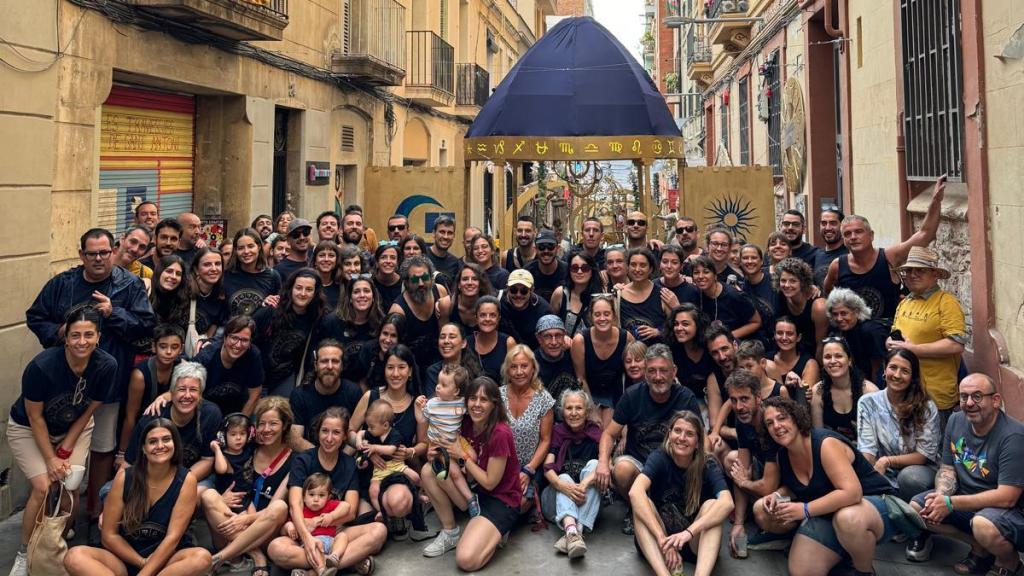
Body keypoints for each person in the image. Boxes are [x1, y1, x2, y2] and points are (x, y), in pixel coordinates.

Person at [26, 228, 155, 527]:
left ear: (114, 251)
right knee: (65, 449)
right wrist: (58, 332)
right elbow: (36, 316)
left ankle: (94, 510)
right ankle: (58, 515)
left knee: (101, 446)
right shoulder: (62, 283)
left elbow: (146, 326)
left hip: (106, 384)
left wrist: (115, 313)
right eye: (91, 253)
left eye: (104, 252)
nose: (98, 258)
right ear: (81, 255)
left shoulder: (129, 284)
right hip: (62, 383)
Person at [7, 307, 113, 575]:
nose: (82, 341)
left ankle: (57, 543)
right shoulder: (42, 367)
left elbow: (92, 407)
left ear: (98, 337)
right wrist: (52, 458)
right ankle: (25, 552)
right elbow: (35, 417)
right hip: (28, 427)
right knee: (43, 488)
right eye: (75, 335)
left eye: (89, 335)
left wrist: (67, 446)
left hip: (75, 426)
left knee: (71, 486)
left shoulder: (106, 365)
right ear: (65, 337)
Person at [758, 396, 899, 576]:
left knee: (847, 519)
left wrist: (805, 509)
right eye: (769, 423)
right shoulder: (783, 456)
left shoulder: (825, 444)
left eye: (782, 417)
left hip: (873, 505)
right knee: (802, 571)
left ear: (795, 417)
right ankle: (846, 553)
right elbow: (799, 486)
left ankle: (864, 571)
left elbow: (852, 493)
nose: (776, 426)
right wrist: (777, 495)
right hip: (830, 513)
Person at [906, 374, 1024, 575]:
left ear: (995, 400)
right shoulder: (955, 420)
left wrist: (951, 503)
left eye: (977, 396)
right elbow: (948, 468)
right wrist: (941, 496)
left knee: (983, 525)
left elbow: (1007, 498)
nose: (969, 403)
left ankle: (1010, 562)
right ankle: (980, 548)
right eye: (964, 397)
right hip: (965, 498)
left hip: (1005, 511)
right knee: (918, 509)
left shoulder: (1013, 436)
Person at [63, 420, 212, 576]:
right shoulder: (124, 478)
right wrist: (141, 563)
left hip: (165, 562)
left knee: (202, 558)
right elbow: (109, 535)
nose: (160, 446)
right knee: (74, 556)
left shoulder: (187, 480)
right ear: (144, 449)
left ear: (175, 444)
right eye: (153, 441)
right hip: (124, 559)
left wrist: (146, 572)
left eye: (166, 439)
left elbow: (172, 538)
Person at [418, 377, 522, 571]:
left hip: (500, 499)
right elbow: (439, 440)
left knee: (466, 560)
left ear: (494, 404)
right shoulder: (465, 422)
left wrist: (463, 457)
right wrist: (435, 452)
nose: (476, 404)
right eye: (473, 398)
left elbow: (490, 483)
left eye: (483, 400)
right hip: (472, 493)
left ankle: (497, 532)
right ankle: (451, 532)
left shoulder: (500, 433)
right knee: (428, 470)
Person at [596, 344, 701, 535]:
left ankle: (661, 510)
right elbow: (609, 433)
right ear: (645, 372)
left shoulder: (686, 397)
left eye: (664, 370)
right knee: (621, 469)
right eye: (652, 370)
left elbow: (701, 438)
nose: (658, 376)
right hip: (639, 464)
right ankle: (635, 509)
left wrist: (704, 462)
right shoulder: (632, 395)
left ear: (674, 371)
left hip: (673, 464)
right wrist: (603, 461)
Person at [268, 407, 386, 575]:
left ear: (345, 436)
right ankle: (348, 563)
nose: (329, 438)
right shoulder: (303, 460)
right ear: (318, 432)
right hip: (304, 529)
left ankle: (318, 571)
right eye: (325, 431)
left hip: (336, 530)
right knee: (276, 548)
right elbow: (295, 504)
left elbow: (351, 511)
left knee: (379, 531)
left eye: (336, 433)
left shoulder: (349, 465)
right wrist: (307, 538)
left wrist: (317, 521)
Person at [824, 175, 946, 320]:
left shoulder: (889, 257)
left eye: (859, 231)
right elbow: (828, 295)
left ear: (871, 235)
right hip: (853, 337)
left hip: (888, 336)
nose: (853, 237)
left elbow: (925, 234)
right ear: (844, 240)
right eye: (847, 234)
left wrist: (936, 201)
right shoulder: (837, 266)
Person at [631, 411, 734, 576]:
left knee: (713, 506)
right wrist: (662, 539)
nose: (682, 438)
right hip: (659, 542)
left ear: (698, 442)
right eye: (677, 431)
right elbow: (635, 492)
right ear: (669, 434)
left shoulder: (707, 463)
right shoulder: (659, 457)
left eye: (690, 434)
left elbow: (727, 503)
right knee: (642, 503)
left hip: (693, 541)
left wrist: (689, 533)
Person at [203, 397, 294, 576]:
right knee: (209, 495)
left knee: (279, 506)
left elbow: (273, 511)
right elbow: (225, 478)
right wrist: (222, 499)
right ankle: (257, 556)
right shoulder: (247, 448)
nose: (267, 429)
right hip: (230, 525)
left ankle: (221, 557)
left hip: (263, 530)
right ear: (255, 427)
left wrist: (246, 520)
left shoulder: (294, 460)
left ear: (284, 425)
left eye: (273, 423)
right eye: (262, 424)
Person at [348, 345, 430, 540]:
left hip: (397, 471)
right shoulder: (371, 396)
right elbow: (350, 432)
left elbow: (423, 444)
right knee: (366, 523)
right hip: (369, 471)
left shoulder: (415, 404)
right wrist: (367, 448)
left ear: (410, 371)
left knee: (397, 503)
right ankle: (389, 518)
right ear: (384, 370)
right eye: (390, 367)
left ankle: (399, 512)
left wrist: (410, 452)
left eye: (401, 367)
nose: (395, 373)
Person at [889, 246, 967, 433]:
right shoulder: (905, 302)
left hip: (935, 396)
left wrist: (914, 350)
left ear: (934, 275)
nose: (913, 275)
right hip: (905, 393)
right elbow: (895, 334)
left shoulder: (946, 302)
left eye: (920, 270)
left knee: (936, 453)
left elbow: (956, 344)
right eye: (909, 271)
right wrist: (890, 343)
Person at [857, 349, 940, 501]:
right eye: (893, 367)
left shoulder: (926, 407)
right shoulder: (868, 403)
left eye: (905, 371)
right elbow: (867, 449)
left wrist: (887, 461)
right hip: (883, 470)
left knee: (909, 478)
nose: (897, 375)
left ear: (912, 377)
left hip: (919, 471)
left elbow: (923, 456)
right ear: (884, 369)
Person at [719, 370, 785, 559]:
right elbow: (740, 468)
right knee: (733, 462)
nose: (738, 406)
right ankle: (746, 519)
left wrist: (744, 482)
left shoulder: (772, 425)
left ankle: (786, 534)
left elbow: (767, 487)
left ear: (758, 398)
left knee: (761, 511)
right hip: (766, 475)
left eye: (744, 399)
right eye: (733, 400)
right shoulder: (743, 420)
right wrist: (739, 524)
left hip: (793, 490)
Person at [128, 362, 221, 493]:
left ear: (200, 394)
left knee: (203, 495)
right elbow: (130, 463)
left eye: (193, 390)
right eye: (182, 389)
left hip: (193, 477)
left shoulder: (210, 414)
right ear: (171, 392)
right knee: (108, 491)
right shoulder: (152, 417)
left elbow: (207, 460)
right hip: (152, 478)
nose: (187, 395)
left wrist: (175, 484)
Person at [542, 389, 602, 559]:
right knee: (563, 476)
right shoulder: (558, 432)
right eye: (569, 408)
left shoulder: (596, 434)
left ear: (587, 411)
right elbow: (548, 467)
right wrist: (563, 486)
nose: (574, 413)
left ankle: (572, 533)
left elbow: (607, 467)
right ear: (562, 411)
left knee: (596, 465)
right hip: (556, 501)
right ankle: (576, 531)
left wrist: (582, 486)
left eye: (579, 408)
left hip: (588, 500)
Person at [252, 268, 326, 398]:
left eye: (309, 289)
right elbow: (246, 334)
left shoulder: (317, 318)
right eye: (298, 288)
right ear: (291, 288)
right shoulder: (270, 310)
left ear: (315, 293)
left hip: (285, 378)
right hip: (256, 375)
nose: (302, 293)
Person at [120, 324, 185, 467]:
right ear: (154, 347)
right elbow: (130, 416)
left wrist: (169, 395)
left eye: (174, 347)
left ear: (181, 348)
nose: (168, 352)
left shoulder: (182, 367)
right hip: (143, 428)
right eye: (163, 346)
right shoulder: (140, 375)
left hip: (170, 430)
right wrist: (122, 453)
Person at [499, 345, 556, 511]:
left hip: (531, 466)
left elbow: (546, 440)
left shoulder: (543, 398)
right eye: (513, 367)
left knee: (519, 504)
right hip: (501, 464)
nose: (519, 372)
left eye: (524, 366)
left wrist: (528, 470)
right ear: (507, 370)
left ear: (533, 369)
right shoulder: (498, 395)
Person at [415, 366, 476, 512]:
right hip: (440, 446)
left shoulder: (461, 403)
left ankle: (471, 483)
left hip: (457, 440)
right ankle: (471, 499)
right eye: (438, 382)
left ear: (456, 391)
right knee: (453, 472)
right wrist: (418, 407)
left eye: (443, 384)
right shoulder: (432, 404)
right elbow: (422, 420)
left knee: (472, 457)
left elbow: (476, 410)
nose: (437, 386)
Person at [289, 339, 364, 450]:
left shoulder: (354, 392)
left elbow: (356, 435)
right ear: (315, 365)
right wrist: (322, 460)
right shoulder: (299, 395)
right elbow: (295, 439)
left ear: (342, 365)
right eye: (324, 361)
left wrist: (340, 463)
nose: (329, 366)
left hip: (344, 460)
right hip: (309, 458)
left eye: (335, 361)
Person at [572, 294, 631, 425]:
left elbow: (631, 375)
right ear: (591, 317)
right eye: (597, 314)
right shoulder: (580, 341)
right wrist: (592, 409)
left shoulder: (626, 338)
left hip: (616, 395)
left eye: (606, 314)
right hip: (589, 394)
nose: (602, 318)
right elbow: (580, 378)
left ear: (614, 316)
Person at [355, 400, 422, 514]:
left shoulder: (394, 434)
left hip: (396, 465)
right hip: (379, 470)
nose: (369, 429)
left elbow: (391, 449)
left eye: (371, 426)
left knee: (415, 477)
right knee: (373, 491)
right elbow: (361, 433)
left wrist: (374, 448)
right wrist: (358, 442)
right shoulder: (373, 433)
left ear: (385, 425)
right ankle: (380, 511)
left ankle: (421, 494)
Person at [811, 337, 878, 442]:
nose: (833, 361)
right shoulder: (818, 391)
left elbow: (877, 438)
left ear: (849, 360)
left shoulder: (870, 391)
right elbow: (818, 437)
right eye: (827, 357)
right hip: (831, 452)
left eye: (839, 356)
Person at [281, 473, 349, 576]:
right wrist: (289, 527)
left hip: (331, 542)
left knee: (343, 536)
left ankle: (334, 557)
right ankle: (322, 570)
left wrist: (332, 516)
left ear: (328, 497)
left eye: (321, 495)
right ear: (303, 497)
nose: (316, 499)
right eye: (311, 495)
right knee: (315, 546)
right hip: (312, 544)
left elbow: (346, 506)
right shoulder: (301, 511)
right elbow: (286, 526)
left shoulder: (329, 506)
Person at [388, 255, 441, 371]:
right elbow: (393, 351)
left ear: (431, 278)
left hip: (440, 363)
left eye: (425, 277)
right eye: (415, 279)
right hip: (412, 369)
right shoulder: (398, 310)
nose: (421, 283)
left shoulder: (440, 292)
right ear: (406, 282)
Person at [691, 255, 761, 339]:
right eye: (696, 273)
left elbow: (756, 322)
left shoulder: (734, 296)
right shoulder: (695, 293)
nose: (701, 276)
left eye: (706, 272)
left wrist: (728, 337)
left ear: (715, 275)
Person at [826, 287, 888, 380]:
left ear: (856, 311)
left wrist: (874, 393)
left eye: (844, 313)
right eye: (835, 314)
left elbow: (878, 368)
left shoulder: (870, 331)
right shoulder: (840, 330)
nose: (839, 318)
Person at [774, 257, 828, 357]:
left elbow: (821, 346)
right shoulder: (781, 295)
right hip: (793, 352)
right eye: (783, 280)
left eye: (793, 281)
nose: (786, 285)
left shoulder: (819, 307)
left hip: (815, 354)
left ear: (803, 282)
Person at [223, 227, 282, 317]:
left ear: (258, 247)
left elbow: (279, 311)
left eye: (251, 246)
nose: (246, 251)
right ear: (235, 251)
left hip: (261, 330)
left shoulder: (272, 276)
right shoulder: (227, 276)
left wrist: (269, 303)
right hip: (232, 330)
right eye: (241, 248)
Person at [619, 248, 671, 344]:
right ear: (627, 267)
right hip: (629, 356)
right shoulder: (619, 295)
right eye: (633, 265)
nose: (637, 269)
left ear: (650, 269)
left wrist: (658, 331)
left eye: (642, 265)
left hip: (656, 355)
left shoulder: (662, 295)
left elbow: (675, 327)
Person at [549, 252, 604, 337]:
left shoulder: (601, 297)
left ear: (592, 270)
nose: (579, 271)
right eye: (574, 268)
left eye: (585, 268)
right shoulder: (560, 293)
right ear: (569, 270)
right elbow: (550, 324)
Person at [422, 322, 481, 399]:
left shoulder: (474, 369)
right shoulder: (432, 371)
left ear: (463, 343)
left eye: (452, 337)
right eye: (442, 337)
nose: (446, 341)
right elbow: (431, 402)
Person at [765, 316, 820, 397]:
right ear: (774, 335)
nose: (784, 338)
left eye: (789, 334)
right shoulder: (766, 360)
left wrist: (796, 387)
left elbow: (804, 402)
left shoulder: (809, 364)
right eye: (780, 333)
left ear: (798, 337)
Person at [498, 269, 552, 349]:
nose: (518, 295)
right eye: (513, 290)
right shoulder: (498, 301)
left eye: (524, 291)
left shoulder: (543, 309)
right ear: (507, 288)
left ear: (532, 290)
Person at [436, 262, 494, 333]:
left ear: (481, 284)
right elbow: (444, 337)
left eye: (475, 279)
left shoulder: (491, 305)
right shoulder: (446, 304)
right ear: (459, 285)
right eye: (465, 279)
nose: (469, 283)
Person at [469, 296, 516, 382]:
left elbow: (513, 376)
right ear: (476, 318)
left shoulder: (508, 342)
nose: (487, 319)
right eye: (482, 315)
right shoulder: (467, 343)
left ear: (499, 318)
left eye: (492, 315)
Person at [737, 243, 776, 347]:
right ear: (740, 262)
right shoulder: (740, 288)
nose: (749, 261)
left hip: (778, 343)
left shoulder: (775, 282)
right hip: (753, 346)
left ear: (761, 261)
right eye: (745, 258)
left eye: (754, 258)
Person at [534, 314, 579, 403]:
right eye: (547, 336)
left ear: (564, 335)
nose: (554, 342)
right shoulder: (531, 363)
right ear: (539, 338)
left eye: (558, 335)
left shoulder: (573, 354)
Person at [187, 247, 228, 344]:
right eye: (207, 264)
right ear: (196, 269)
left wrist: (204, 343)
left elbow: (214, 325)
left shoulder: (222, 295)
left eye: (217, 264)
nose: (214, 269)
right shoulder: (183, 289)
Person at [525, 229, 567, 303]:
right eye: (541, 247)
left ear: (557, 248)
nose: (546, 251)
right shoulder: (527, 272)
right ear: (535, 249)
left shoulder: (568, 272)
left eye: (550, 246)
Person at [655, 244, 701, 309]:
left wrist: (677, 306)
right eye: (665, 262)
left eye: (674, 262)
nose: (669, 266)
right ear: (660, 264)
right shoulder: (653, 286)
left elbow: (696, 318)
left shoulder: (692, 291)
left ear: (681, 266)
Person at [812, 206, 848, 287]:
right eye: (824, 223)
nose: (828, 228)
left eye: (833, 223)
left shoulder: (850, 254)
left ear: (842, 226)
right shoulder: (817, 254)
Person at [425, 215, 461, 287]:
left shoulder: (455, 263)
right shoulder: (422, 256)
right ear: (434, 233)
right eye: (442, 232)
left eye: (450, 233)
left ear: (454, 236)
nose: (445, 237)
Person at [276, 218, 314, 283]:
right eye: (296, 235)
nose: (302, 237)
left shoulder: (316, 263)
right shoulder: (279, 270)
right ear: (288, 240)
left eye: (306, 233)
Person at [312, 241, 342, 309]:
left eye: (331, 255)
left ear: (336, 260)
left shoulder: (341, 287)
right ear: (315, 261)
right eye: (322, 255)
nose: (326, 259)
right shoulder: (308, 286)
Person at [371, 241, 403, 307]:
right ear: (377, 263)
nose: (388, 261)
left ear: (397, 263)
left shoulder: (405, 285)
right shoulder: (369, 283)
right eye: (383, 257)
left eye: (393, 258)